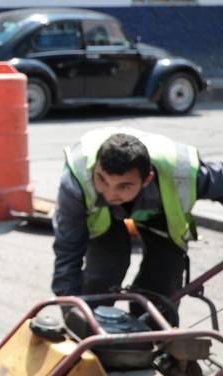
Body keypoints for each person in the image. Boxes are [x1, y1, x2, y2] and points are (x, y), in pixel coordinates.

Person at [52, 128, 223, 304]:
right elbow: (68, 246)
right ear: (95, 167)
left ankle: (150, 325)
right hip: (102, 218)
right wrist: (70, 303)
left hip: (159, 213)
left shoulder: (182, 174)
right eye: (102, 179)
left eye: (124, 186)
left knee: (162, 278)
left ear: (147, 179)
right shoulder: (77, 180)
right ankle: (93, 321)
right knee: (105, 268)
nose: (110, 194)